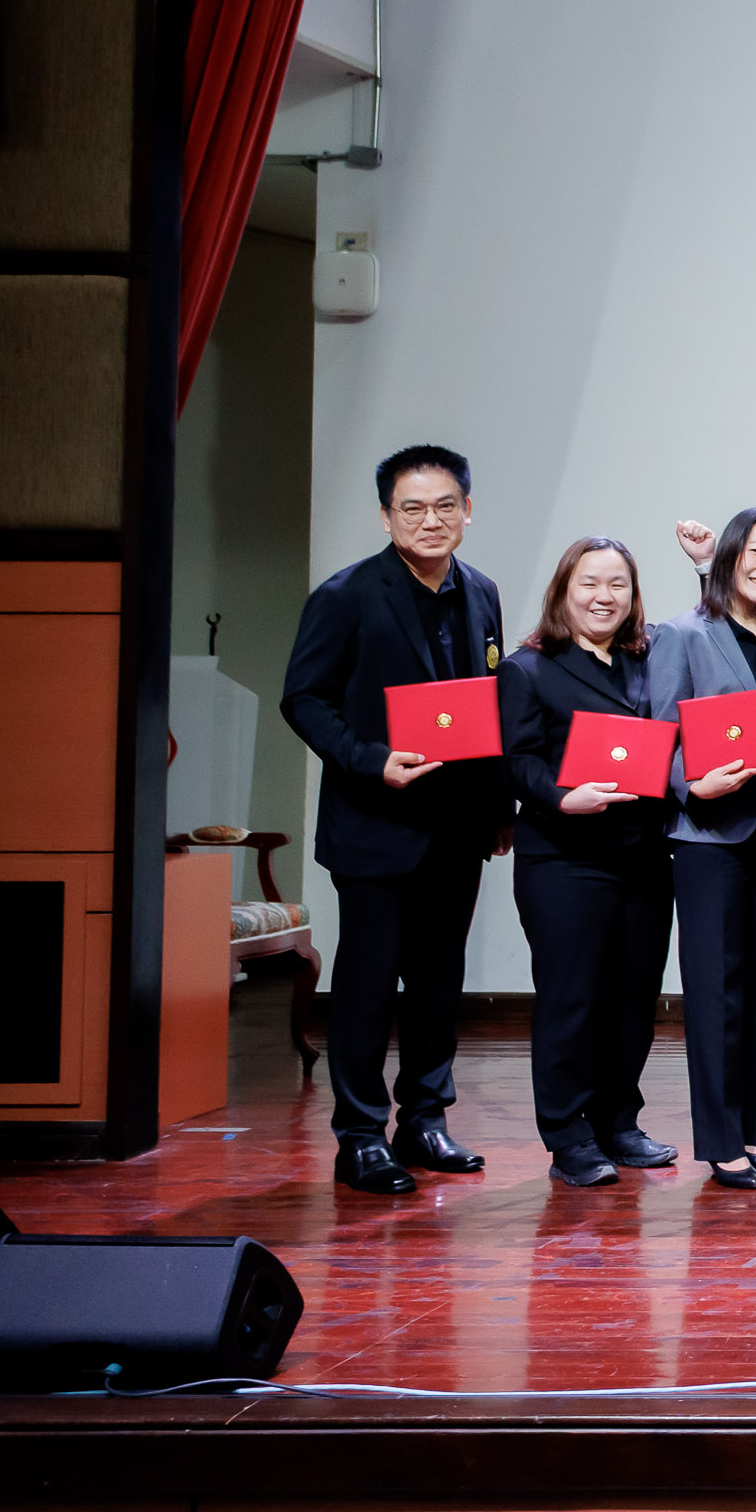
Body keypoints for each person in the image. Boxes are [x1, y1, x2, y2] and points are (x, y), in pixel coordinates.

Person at [281, 444, 514, 1195]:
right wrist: (367, 757)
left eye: (446, 505)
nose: (430, 520)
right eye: (412, 508)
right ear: (386, 516)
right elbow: (304, 699)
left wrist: (498, 807)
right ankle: (358, 1133)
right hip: (375, 821)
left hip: (457, 827)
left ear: (468, 511)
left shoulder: (482, 593)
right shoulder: (346, 596)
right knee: (368, 982)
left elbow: (486, 708)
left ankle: (424, 1118)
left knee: (440, 982)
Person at [648, 507, 756, 1188]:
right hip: (710, 835)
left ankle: (748, 1130)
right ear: (729, 555)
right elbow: (661, 735)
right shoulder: (684, 634)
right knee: (716, 988)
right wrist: (694, 783)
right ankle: (718, 1140)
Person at [498, 535, 675, 1188]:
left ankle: (617, 1121)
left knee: (633, 999)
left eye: (617, 585)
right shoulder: (527, 668)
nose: (604, 597)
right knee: (572, 999)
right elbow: (517, 762)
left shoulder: (648, 662)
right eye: (589, 584)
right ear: (563, 593)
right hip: (564, 860)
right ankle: (567, 1134)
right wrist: (563, 796)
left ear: (632, 596)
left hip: (644, 858)